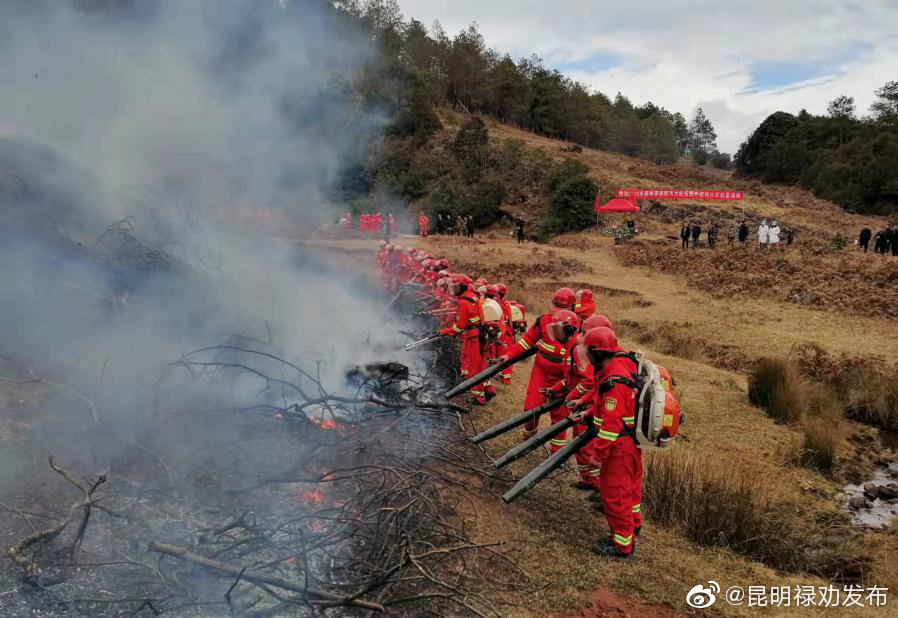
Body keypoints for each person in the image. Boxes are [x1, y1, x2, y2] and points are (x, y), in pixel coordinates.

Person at [573, 327, 642, 558]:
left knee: (615, 496)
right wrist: (588, 412)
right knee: (629, 491)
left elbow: (611, 428)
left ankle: (622, 545)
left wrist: (598, 456)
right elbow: (605, 406)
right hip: (628, 446)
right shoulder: (615, 372)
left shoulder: (613, 382)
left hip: (618, 449)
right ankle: (633, 526)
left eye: (589, 351)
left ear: (596, 352)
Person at [495, 308, 581, 451]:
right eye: (555, 304)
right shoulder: (545, 320)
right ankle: (528, 438)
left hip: (563, 379)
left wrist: (564, 385)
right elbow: (527, 341)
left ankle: (556, 454)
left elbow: (579, 374)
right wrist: (509, 355)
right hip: (541, 373)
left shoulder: (578, 340)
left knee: (560, 417)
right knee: (530, 409)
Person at [439, 274, 487, 406]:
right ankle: (486, 390)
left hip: (473, 337)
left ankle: (479, 398)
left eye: (455, 287)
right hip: (479, 335)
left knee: (474, 369)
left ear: (462, 287)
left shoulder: (464, 302)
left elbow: (459, 327)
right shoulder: (471, 297)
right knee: (479, 366)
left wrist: (444, 332)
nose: (452, 289)